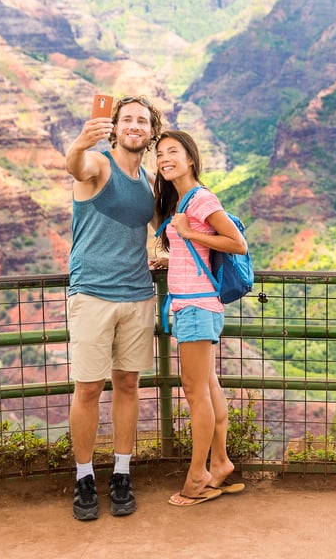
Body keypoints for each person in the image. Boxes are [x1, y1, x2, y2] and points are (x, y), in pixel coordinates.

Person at [65, 95, 165, 520]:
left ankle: (121, 472)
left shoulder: (147, 183)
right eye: (127, 119)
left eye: (142, 121)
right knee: (88, 387)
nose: (135, 126)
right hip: (92, 294)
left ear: (151, 131)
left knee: (128, 385)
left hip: (138, 294)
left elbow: (159, 229)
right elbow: (76, 167)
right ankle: (84, 477)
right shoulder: (99, 164)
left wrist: (159, 257)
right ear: (115, 127)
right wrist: (78, 145)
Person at [152, 130, 248, 506]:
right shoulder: (182, 199)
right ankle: (220, 463)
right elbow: (195, 250)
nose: (164, 159)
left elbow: (236, 243)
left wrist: (189, 231)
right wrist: (169, 257)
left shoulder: (201, 199)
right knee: (208, 388)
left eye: (172, 152)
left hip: (195, 308)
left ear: (190, 158)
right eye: (160, 154)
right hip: (194, 303)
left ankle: (198, 476)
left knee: (196, 393)